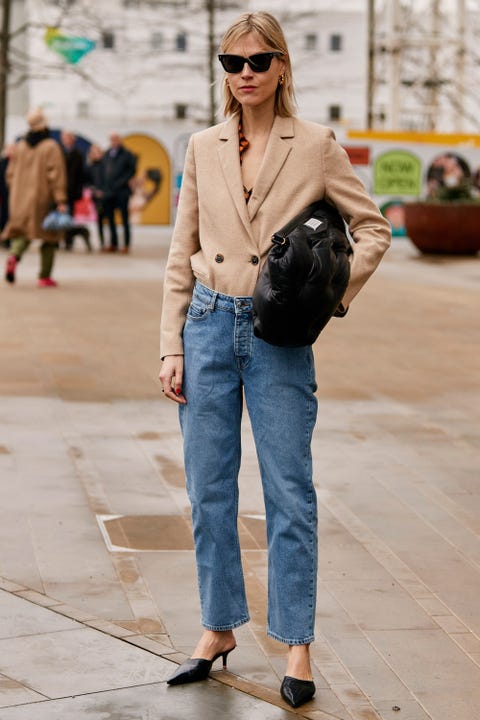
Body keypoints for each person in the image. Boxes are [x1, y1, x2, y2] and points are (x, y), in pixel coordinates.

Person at [159, 11, 391, 710]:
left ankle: (297, 646)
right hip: (205, 325)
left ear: (283, 66)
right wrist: (170, 342)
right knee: (208, 493)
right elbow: (181, 247)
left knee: (291, 494)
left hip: (279, 338)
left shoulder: (316, 144)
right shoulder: (202, 146)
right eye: (233, 63)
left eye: (259, 61)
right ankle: (216, 628)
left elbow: (373, 228)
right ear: (223, 72)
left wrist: (330, 298)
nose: (247, 74)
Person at [3, 108, 68, 287]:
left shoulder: (20, 146)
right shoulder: (51, 146)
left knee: (22, 233)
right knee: (50, 235)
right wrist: (60, 199)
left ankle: (14, 256)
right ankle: (44, 276)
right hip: (42, 198)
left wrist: (16, 191)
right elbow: (56, 174)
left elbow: (10, 173)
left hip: (20, 198)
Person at [102, 132, 136, 253]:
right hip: (109, 192)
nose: (114, 141)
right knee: (110, 219)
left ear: (120, 140)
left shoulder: (127, 154)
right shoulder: (107, 154)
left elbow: (132, 171)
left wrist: (120, 182)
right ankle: (113, 243)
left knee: (124, 218)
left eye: (116, 139)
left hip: (122, 192)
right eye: (112, 139)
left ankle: (126, 244)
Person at [85, 143, 106, 249]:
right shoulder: (89, 167)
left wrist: (103, 191)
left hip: (106, 197)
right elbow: (87, 182)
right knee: (99, 221)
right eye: (93, 153)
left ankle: (110, 243)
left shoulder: (106, 166)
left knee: (108, 221)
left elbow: (109, 180)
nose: (95, 154)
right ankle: (102, 242)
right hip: (94, 198)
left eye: (97, 152)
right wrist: (94, 190)